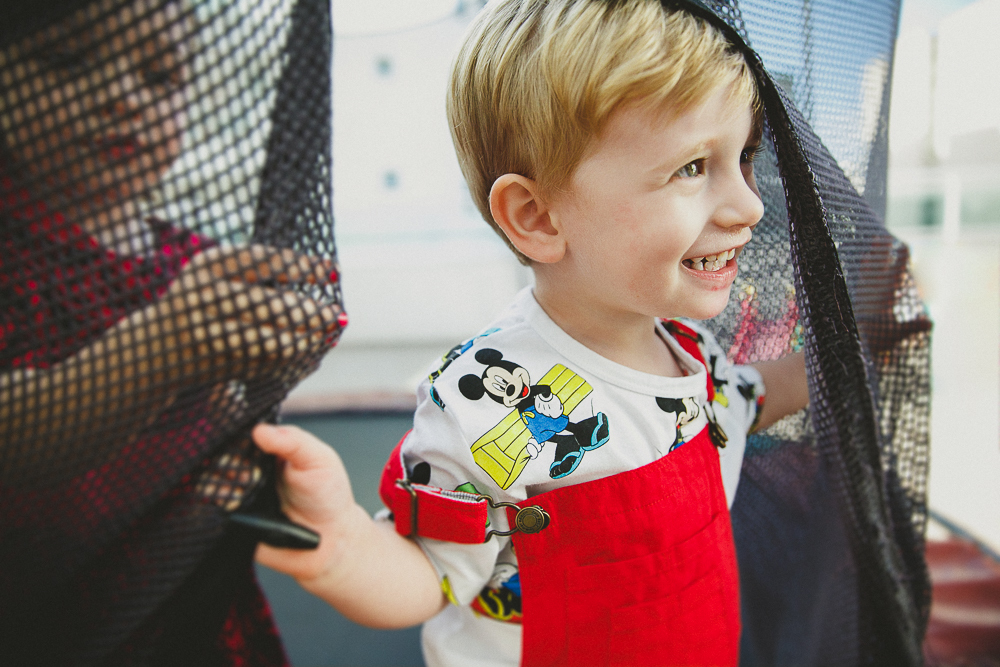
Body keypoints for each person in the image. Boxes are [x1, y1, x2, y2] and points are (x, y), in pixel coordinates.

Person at [253, 0, 809, 665]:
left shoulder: (688, 350)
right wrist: (341, 546)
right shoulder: (489, 403)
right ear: (539, 217)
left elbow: (746, 400)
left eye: (744, 156)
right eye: (692, 167)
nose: (751, 204)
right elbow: (427, 572)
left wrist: (854, 344)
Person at [0, 0, 342, 663]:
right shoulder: (15, 255)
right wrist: (164, 344)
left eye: (161, 76)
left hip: (192, 611)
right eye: (67, 60)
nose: (122, 97)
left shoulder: (191, 260)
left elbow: (203, 428)